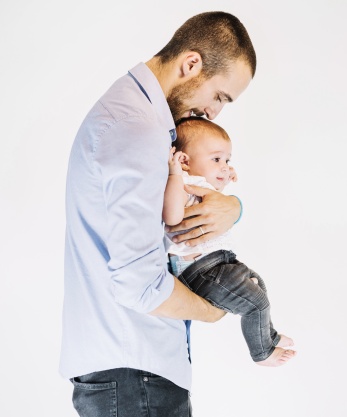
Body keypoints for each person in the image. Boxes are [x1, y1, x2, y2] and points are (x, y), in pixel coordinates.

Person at [61, 12, 256, 416]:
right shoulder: (135, 126)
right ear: (191, 65)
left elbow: (180, 210)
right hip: (134, 375)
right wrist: (215, 311)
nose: (214, 113)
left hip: (128, 374)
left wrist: (234, 208)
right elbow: (138, 284)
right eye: (219, 96)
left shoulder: (139, 116)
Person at [163, 117, 297, 367]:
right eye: (217, 159)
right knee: (255, 303)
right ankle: (262, 353)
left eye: (227, 160)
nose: (224, 166)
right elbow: (171, 216)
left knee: (259, 285)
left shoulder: (200, 183)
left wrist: (222, 176)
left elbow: (211, 201)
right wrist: (174, 175)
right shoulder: (181, 183)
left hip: (220, 262)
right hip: (199, 270)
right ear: (183, 160)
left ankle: (269, 335)